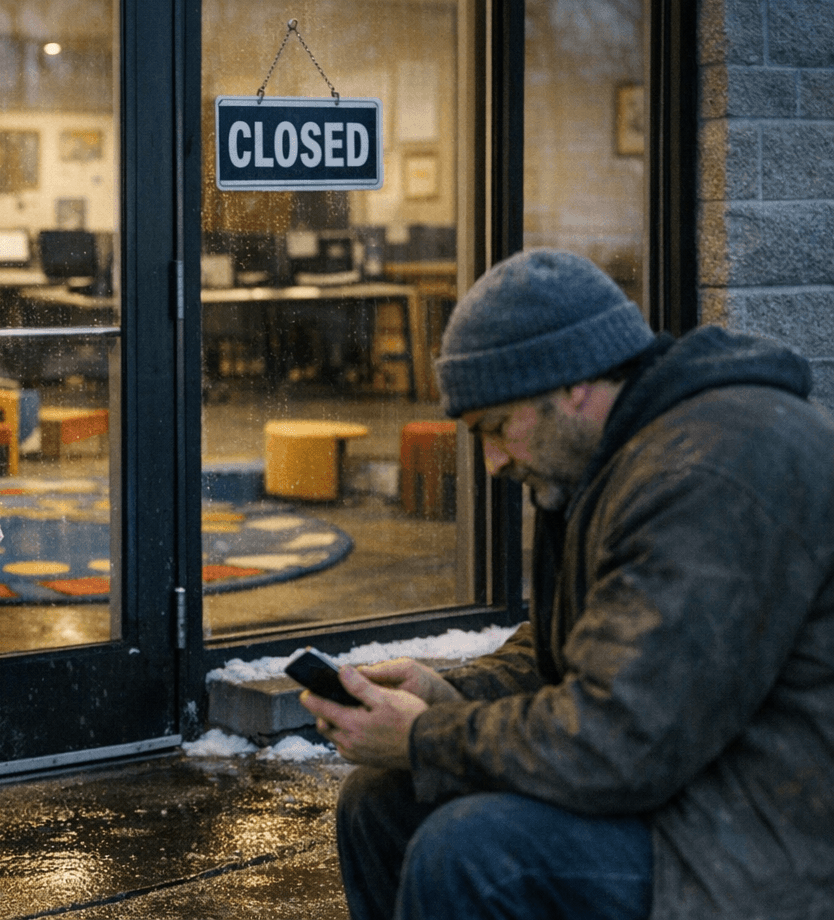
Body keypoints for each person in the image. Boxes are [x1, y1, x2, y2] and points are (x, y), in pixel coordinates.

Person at [303, 249, 834, 920]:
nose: (493, 461)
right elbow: (589, 645)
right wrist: (451, 695)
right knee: (381, 802)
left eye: (497, 428)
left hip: (770, 838)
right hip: (696, 785)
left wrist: (426, 737)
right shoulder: (629, 454)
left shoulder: (711, 473)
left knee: (472, 853)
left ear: (573, 385)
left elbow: (621, 743)